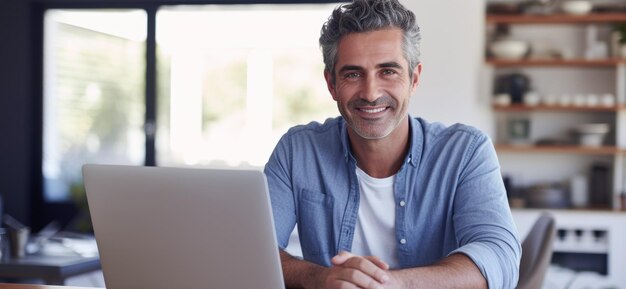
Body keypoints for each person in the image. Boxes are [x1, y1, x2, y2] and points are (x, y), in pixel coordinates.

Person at [263, 0, 521, 288]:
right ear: (331, 84)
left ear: (414, 78)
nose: (371, 93)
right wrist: (321, 278)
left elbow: (499, 258)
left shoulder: (465, 152)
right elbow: (254, 252)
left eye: (388, 71)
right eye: (353, 74)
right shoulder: (297, 151)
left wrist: (393, 284)